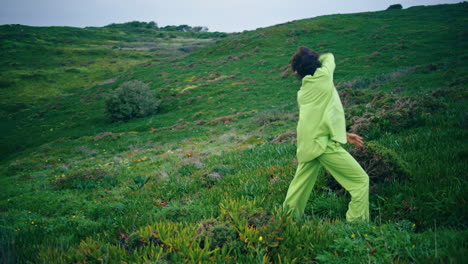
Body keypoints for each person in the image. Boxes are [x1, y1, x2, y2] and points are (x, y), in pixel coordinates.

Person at [283, 46, 369, 222]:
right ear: (316, 65)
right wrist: (314, 59)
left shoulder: (303, 92)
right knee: (360, 181)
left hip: (307, 144)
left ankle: (286, 220)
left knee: (298, 188)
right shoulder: (323, 77)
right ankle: (357, 224)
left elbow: (317, 120)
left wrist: (344, 135)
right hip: (323, 144)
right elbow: (329, 56)